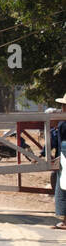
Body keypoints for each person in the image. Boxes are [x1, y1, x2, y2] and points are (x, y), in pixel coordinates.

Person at [51, 94, 66, 231]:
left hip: (64, 157)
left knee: (62, 187)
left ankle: (64, 221)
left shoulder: (62, 123)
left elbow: (58, 143)